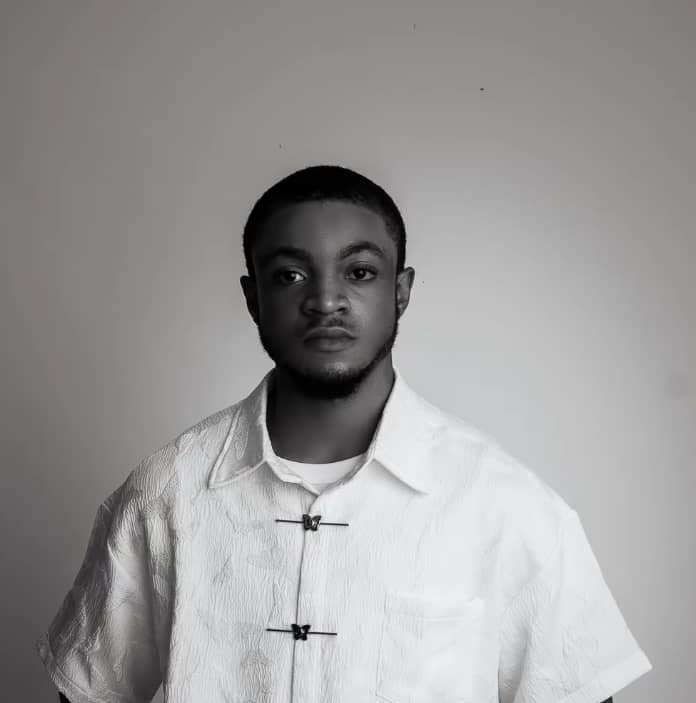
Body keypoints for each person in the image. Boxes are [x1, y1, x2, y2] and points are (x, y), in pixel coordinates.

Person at [37, 165, 651, 703]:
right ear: (252, 297)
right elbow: (90, 690)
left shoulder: (508, 507)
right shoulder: (163, 495)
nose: (326, 300)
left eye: (359, 271)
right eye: (290, 276)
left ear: (400, 292)